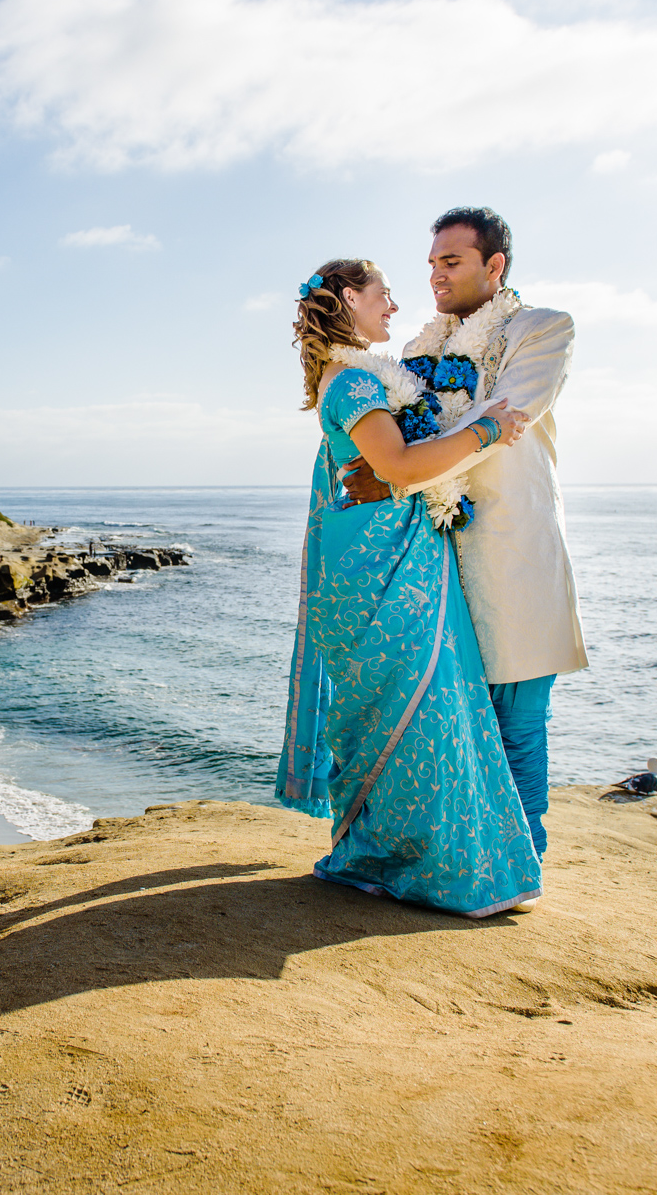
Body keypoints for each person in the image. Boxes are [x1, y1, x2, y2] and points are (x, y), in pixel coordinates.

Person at [275, 257, 541, 917]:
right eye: (381, 295)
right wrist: (488, 429)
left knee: (416, 709)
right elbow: (395, 464)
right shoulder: (352, 385)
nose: (393, 307)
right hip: (384, 578)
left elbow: (388, 468)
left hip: (393, 565)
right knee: (422, 710)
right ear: (346, 300)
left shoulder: (360, 379)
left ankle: (391, 856)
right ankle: (423, 868)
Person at [340, 208, 587, 857]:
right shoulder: (418, 351)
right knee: (441, 719)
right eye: (430, 264)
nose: (435, 276)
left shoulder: (541, 330)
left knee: (518, 724)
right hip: (435, 559)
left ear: (494, 265)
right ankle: (451, 860)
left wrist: (397, 473)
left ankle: (518, 863)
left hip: (512, 552)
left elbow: (505, 417)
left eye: (451, 262)